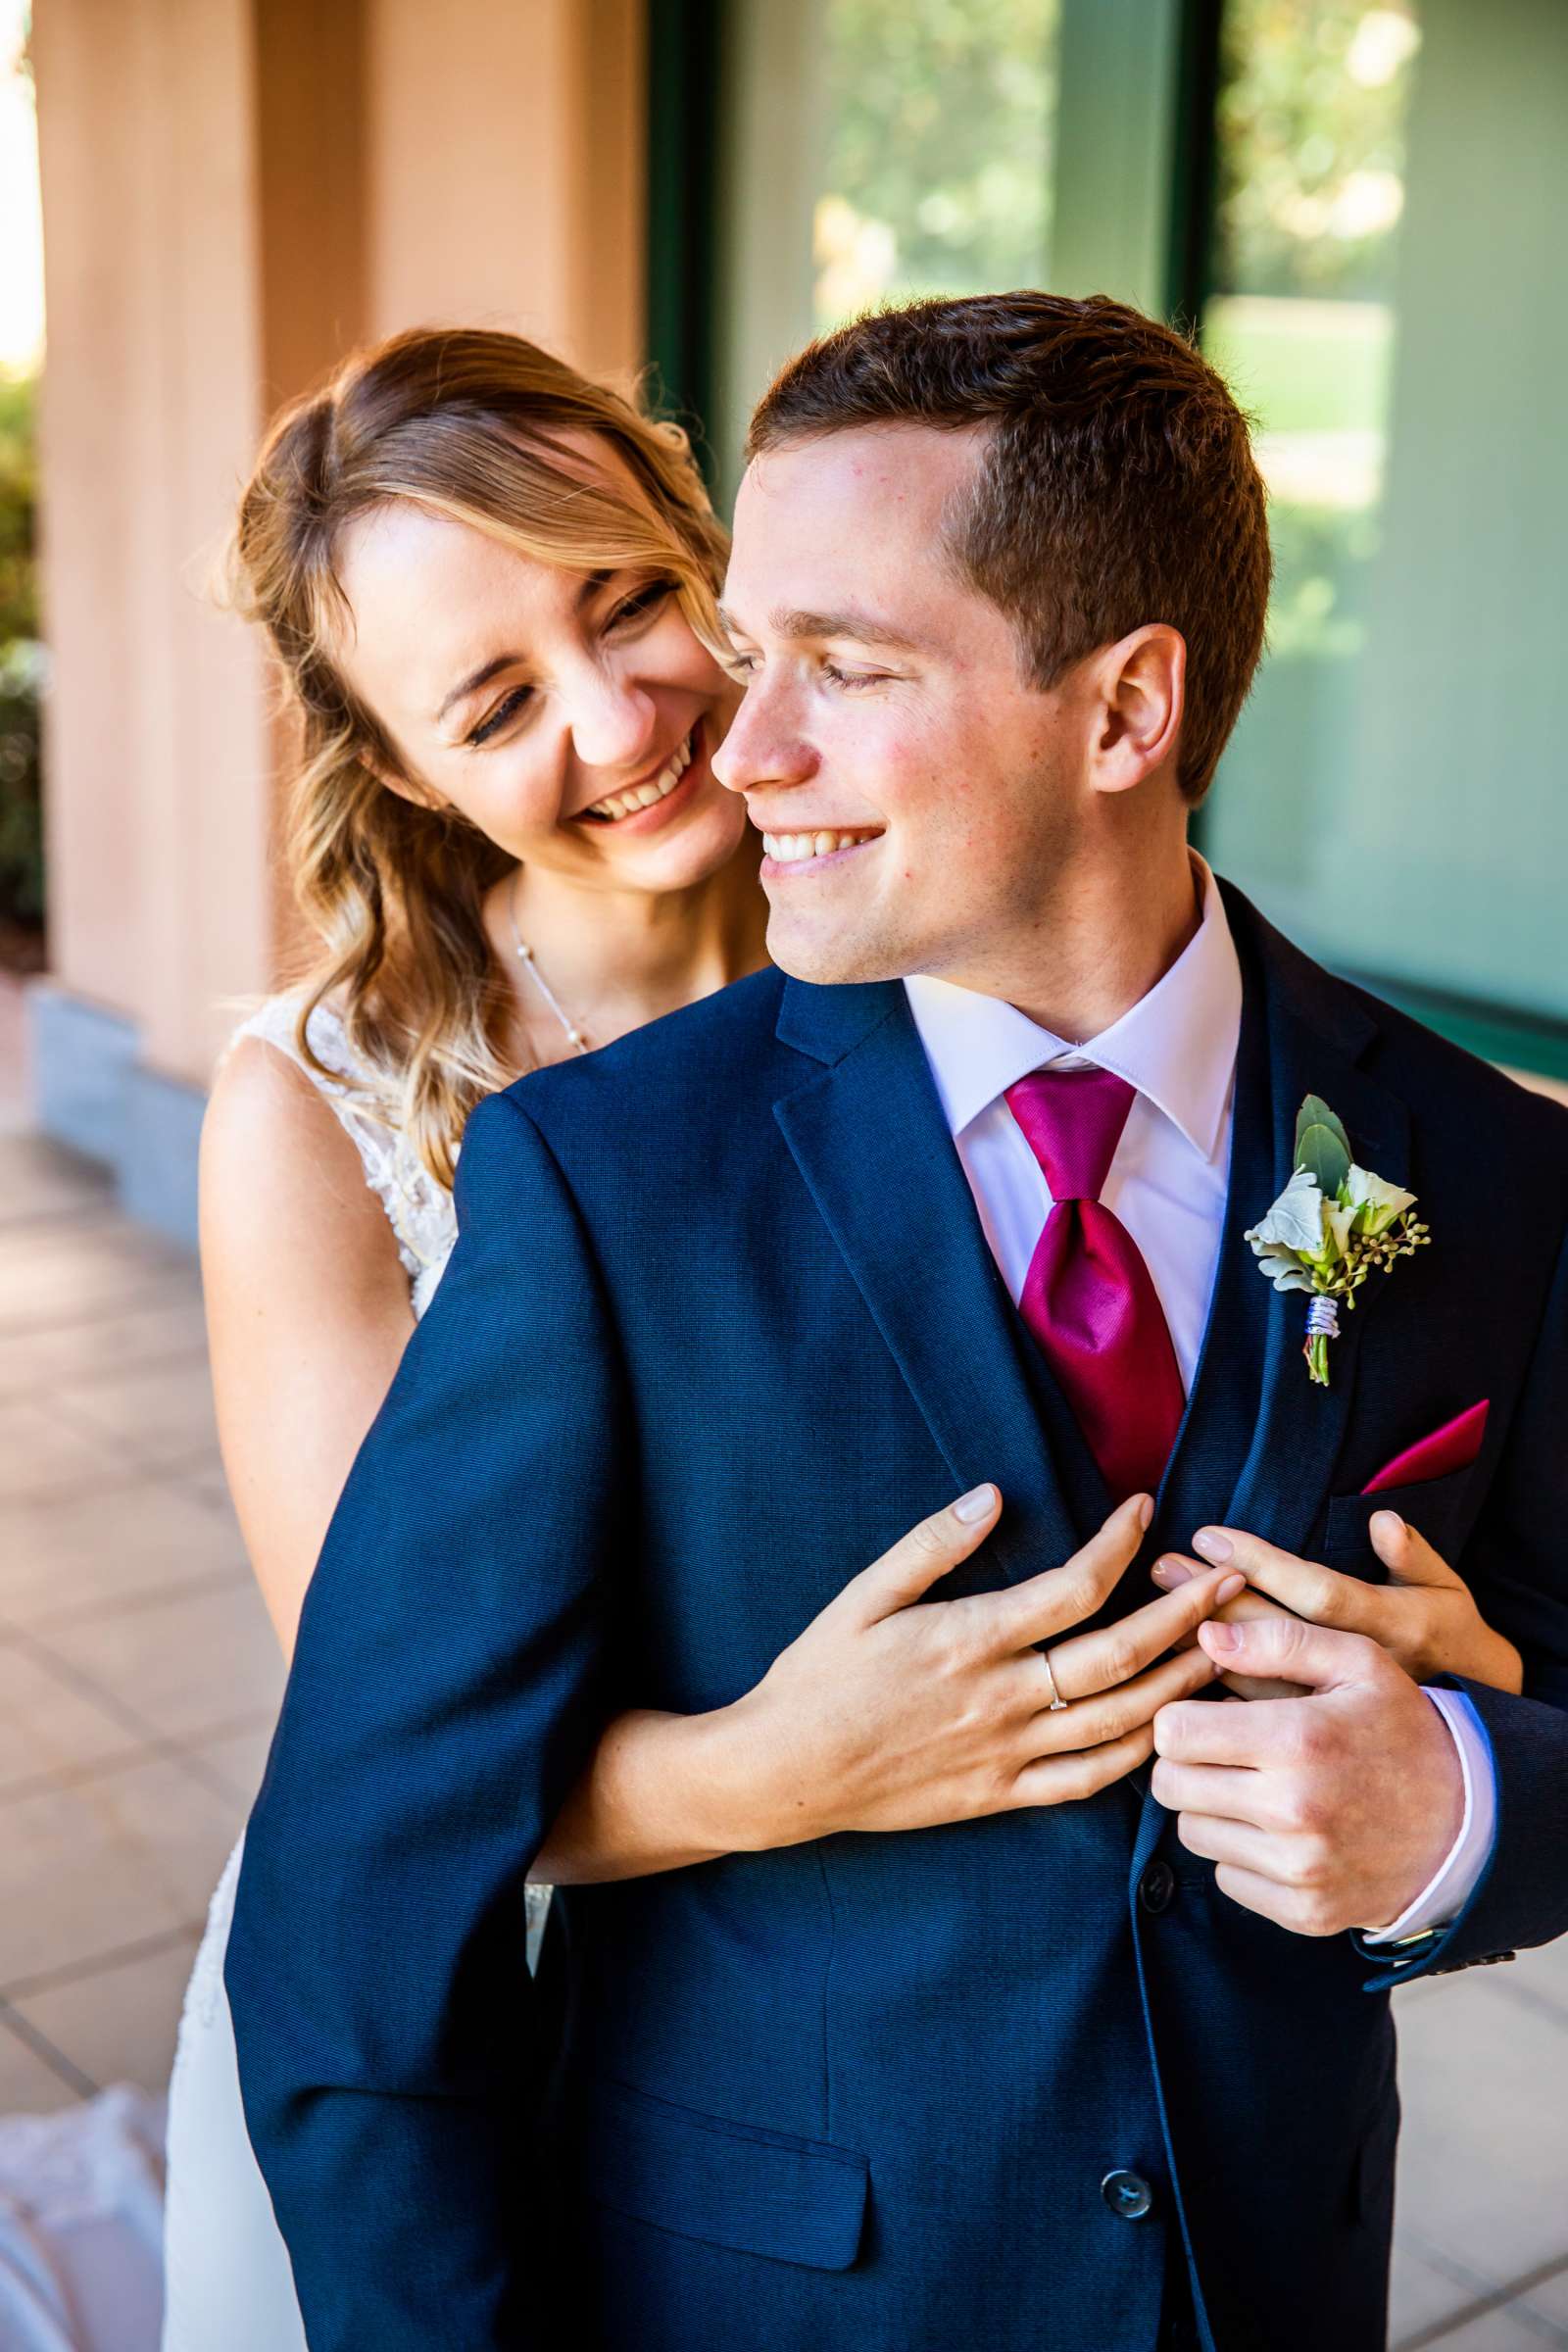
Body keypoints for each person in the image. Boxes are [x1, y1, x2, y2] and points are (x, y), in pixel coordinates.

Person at [223, 292, 1568, 2352]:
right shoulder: (587, 1172)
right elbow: (366, 1868)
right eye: (493, 703)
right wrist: (771, 1769)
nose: (704, 738)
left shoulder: (1483, 1170)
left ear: (1124, 713)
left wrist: (1459, 1797)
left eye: (810, 664)